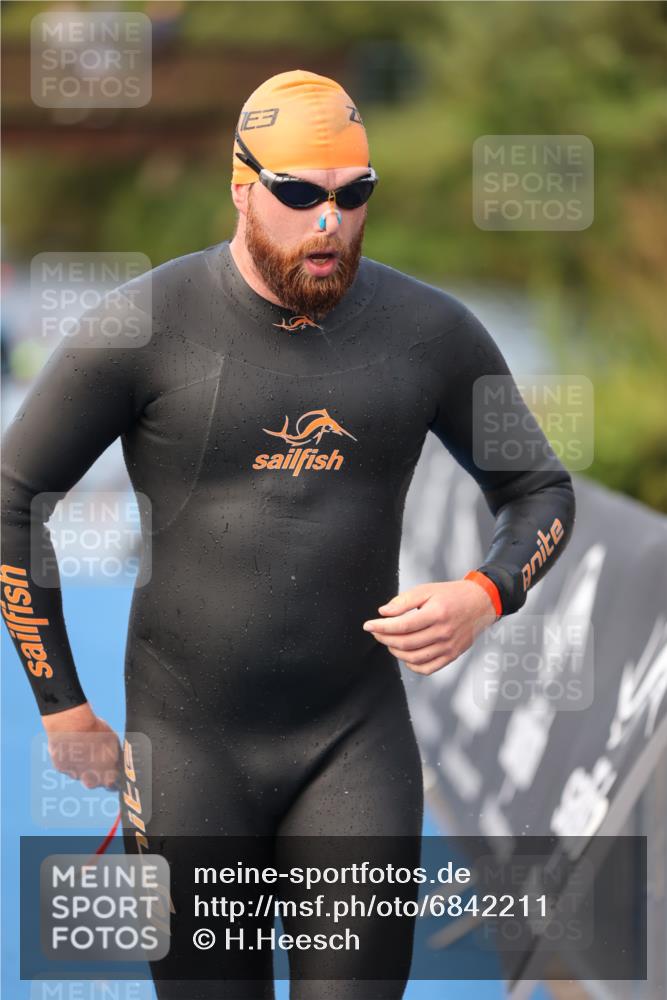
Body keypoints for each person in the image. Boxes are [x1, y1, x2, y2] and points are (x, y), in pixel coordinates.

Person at [1, 70, 575, 998]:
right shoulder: (141, 328)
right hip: (184, 749)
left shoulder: (431, 332)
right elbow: (14, 494)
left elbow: (540, 488)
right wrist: (62, 705)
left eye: (354, 196)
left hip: (353, 743)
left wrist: (485, 592)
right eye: (299, 193)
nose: (328, 223)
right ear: (240, 184)